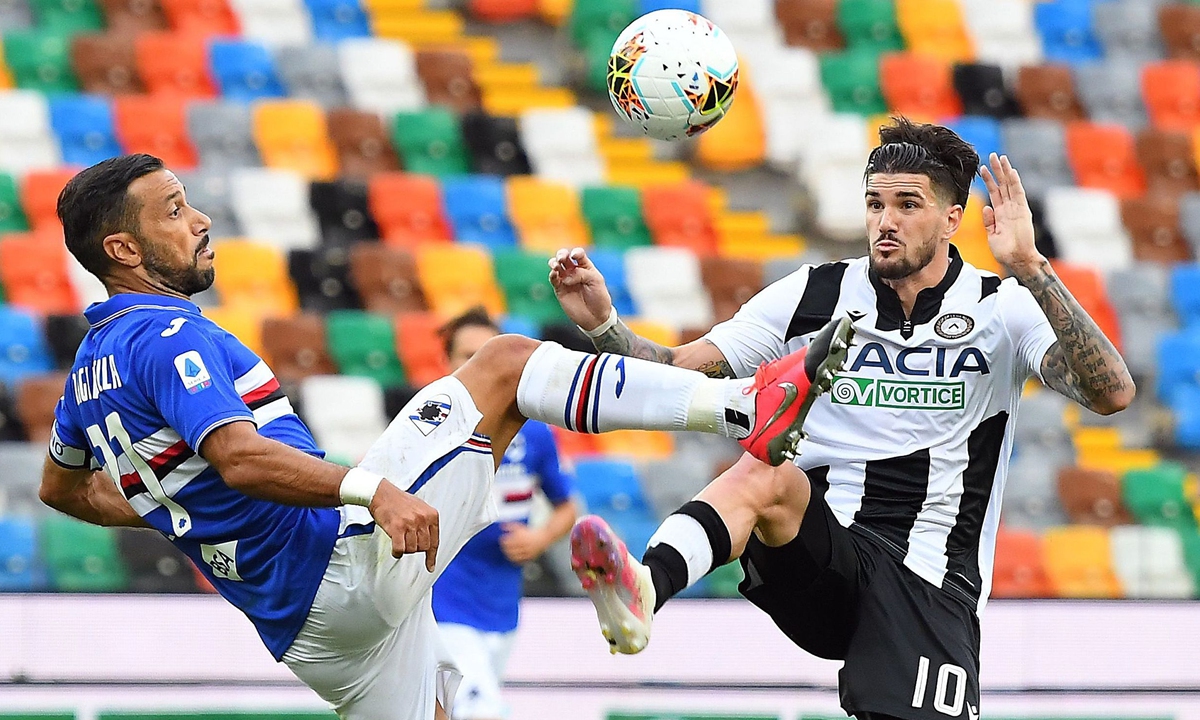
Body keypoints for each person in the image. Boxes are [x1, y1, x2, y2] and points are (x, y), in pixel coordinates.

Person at [37, 154, 847, 720]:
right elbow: (239, 457)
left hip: (308, 636)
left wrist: (179, 510)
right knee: (505, 366)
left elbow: (61, 489)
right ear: (123, 249)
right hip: (337, 567)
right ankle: (745, 408)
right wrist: (375, 491)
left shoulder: (86, 374)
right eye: (174, 211)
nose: (200, 219)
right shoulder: (168, 336)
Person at [550, 118, 1135, 720]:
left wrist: (1032, 267)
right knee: (766, 469)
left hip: (927, 580)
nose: (886, 221)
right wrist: (605, 327)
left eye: (908, 204)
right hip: (822, 554)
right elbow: (681, 371)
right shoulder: (815, 293)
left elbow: (1112, 393)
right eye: (875, 204)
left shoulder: (1002, 305)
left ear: (952, 218)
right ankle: (646, 589)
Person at [432, 307, 578, 720]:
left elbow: (568, 507)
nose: (478, 367)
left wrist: (539, 539)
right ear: (448, 363)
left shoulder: (534, 432)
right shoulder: (429, 427)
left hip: (502, 605)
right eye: (467, 356)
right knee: (480, 711)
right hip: (443, 601)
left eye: (486, 356)